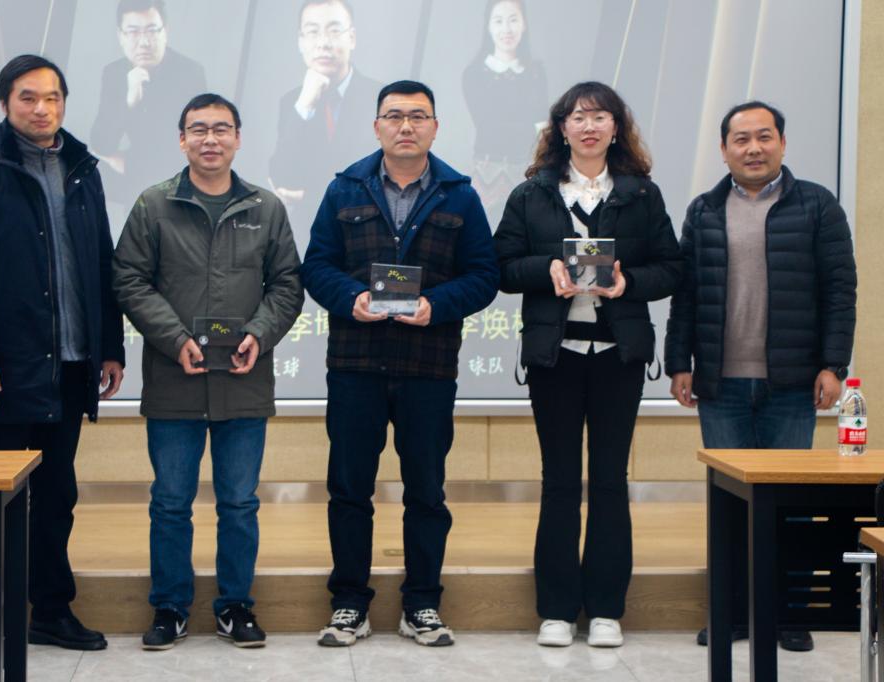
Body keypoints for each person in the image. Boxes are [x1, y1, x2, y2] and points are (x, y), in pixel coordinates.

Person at [0, 54, 126, 664]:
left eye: (52, 98)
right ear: (4, 104)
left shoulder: (82, 170)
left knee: (57, 495)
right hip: (4, 369)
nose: (42, 109)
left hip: (70, 366)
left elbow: (101, 263)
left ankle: (51, 611)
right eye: (28, 97)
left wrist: (111, 346)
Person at [302, 80, 499, 648]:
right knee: (349, 490)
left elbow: (484, 275)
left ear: (435, 127)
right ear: (376, 126)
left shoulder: (459, 196)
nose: (406, 126)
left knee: (426, 492)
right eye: (394, 116)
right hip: (355, 365)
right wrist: (351, 298)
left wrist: (437, 305)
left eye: (418, 116)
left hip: (427, 367)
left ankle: (422, 604)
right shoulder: (344, 189)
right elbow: (316, 266)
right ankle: (348, 603)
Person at [493, 81, 682, 649]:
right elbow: (502, 266)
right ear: (561, 129)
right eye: (578, 117)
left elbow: (671, 268)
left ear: (616, 128)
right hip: (555, 357)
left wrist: (628, 283)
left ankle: (605, 609)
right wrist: (546, 268)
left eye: (600, 116)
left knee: (609, 481)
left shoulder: (641, 195)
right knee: (558, 482)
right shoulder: (532, 194)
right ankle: (555, 608)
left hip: (618, 358)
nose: (589, 126)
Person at [112, 93, 304, 650]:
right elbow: (129, 279)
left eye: (222, 129)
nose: (210, 139)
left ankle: (235, 606)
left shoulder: (266, 208)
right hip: (175, 379)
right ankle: (170, 606)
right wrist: (175, 339)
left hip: (244, 380)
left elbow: (288, 284)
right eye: (199, 129)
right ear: (182, 139)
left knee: (239, 503)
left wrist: (258, 335)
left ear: (238, 139)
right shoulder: (153, 205)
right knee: (170, 502)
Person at [665, 101, 857, 653]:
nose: (754, 148)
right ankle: (732, 614)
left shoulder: (817, 205)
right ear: (724, 149)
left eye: (764, 137)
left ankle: (786, 615)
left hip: (792, 383)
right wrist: (680, 363)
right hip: (720, 384)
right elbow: (686, 295)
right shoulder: (704, 210)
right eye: (742, 139)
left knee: (790, 505)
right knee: (729, 505)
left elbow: (840, 291)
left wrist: (833, 365)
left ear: (782, 143)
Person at [268, 0, 381, 244]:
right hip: (306, 237)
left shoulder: (379, 98)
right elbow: (282, 178)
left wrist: (307, 196)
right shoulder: (293, 102)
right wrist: (305, 105)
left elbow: (373, 178)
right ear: (301, 41)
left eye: (334, 30)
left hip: (366, 234)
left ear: (352, 38)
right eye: (312, 32)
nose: (323, 43)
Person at [90, 0, 207, 201]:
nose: (144, 42)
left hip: (179, 190)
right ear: (121, 36)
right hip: (135, 192)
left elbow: (192, 147)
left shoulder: (190, 74)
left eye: (152, 31)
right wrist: (129, 101)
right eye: (133, 32)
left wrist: (130, 165)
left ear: (165, 31)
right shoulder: (114, 73)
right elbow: (101, 144)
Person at [461, 0, 548, 228]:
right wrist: (530, 128)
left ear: (524, 24)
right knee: (481, 231)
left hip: (526, 171)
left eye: (513, 20)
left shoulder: (536, 72)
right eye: (498, 21)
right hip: (487, 171)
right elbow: (488, 126)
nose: (506, 29)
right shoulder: (474, 73)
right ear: (488, 26)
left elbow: (544, 128)